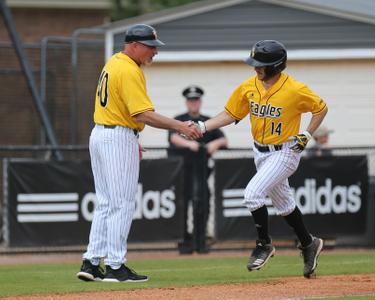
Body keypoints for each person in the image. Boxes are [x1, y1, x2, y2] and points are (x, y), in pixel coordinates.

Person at [76, 24, 202, 283]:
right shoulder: (129, 69)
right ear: (133, 45)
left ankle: (91, 262)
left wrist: (131, 138)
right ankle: (115, 266)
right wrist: (180, 127)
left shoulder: (114, 62)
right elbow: (141, 113)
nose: (154, 51)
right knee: (122, 203)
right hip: (116, 136)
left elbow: (121, 109)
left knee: (106, 202)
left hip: (102, 133)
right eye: (150, 46)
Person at [193, 40, 328, 278]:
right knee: (285, 204)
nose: (255, 68)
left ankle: (264, 244)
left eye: (260, 64)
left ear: (276, 66)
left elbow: (320, 108)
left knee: (252, 194)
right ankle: (309, 243)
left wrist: (307, 134)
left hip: (286, 150)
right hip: (260, 151)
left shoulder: (295, 89)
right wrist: (202, 126)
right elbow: (230, 114)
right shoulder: (249, 86)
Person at [168, 85, 228, 253]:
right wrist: (190, 144)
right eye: (190, 100)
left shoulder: (206, 122)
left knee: (202, 204)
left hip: (201, 173)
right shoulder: (179, 120)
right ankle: (184, 241)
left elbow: (223, 140)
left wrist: (212, 145)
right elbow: (173, 138)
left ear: (200, 102)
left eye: (196, 100)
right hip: (182, 173)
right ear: (186, 102)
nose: (193, 103)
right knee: (182, 207)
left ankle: (200, 240)